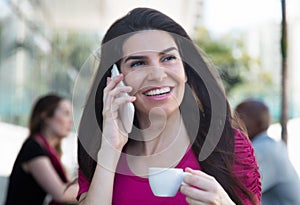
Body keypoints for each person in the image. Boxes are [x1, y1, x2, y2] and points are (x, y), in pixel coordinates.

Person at [77, 8, 261, 205]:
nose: (157, 75)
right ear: (114, 79)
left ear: (186, 69)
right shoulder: (100, 148)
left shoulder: (228, 146)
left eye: (168, 58)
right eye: (138, 63)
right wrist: (110, 148)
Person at [5, 94, 79, 205]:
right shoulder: (33, 148)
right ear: (46, 117)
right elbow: (61, 193)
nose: (71, 121)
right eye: (66, 113)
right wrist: (90, 187)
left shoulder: (49, 151)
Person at [235, 99, 300, 205]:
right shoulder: (271, 144)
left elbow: (240, 192)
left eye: (240, 118)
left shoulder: (264, 150)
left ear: (259, 123)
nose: (234, 123)